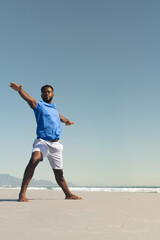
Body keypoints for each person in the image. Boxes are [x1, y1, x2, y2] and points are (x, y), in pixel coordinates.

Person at [9, 82, 82, 202]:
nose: (46, 93)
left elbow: (60, 117)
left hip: (56, 146)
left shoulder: (54, 109)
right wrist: (19, 91)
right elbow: (30, 99)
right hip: (42, 142)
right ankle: (22, 194)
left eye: (48, 91)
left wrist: (67, 121)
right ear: (41, 95)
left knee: (59, 174)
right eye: (44, 92)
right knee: (34, 159)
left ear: (52, 94)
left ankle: (68, 194)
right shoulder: (39, 105)